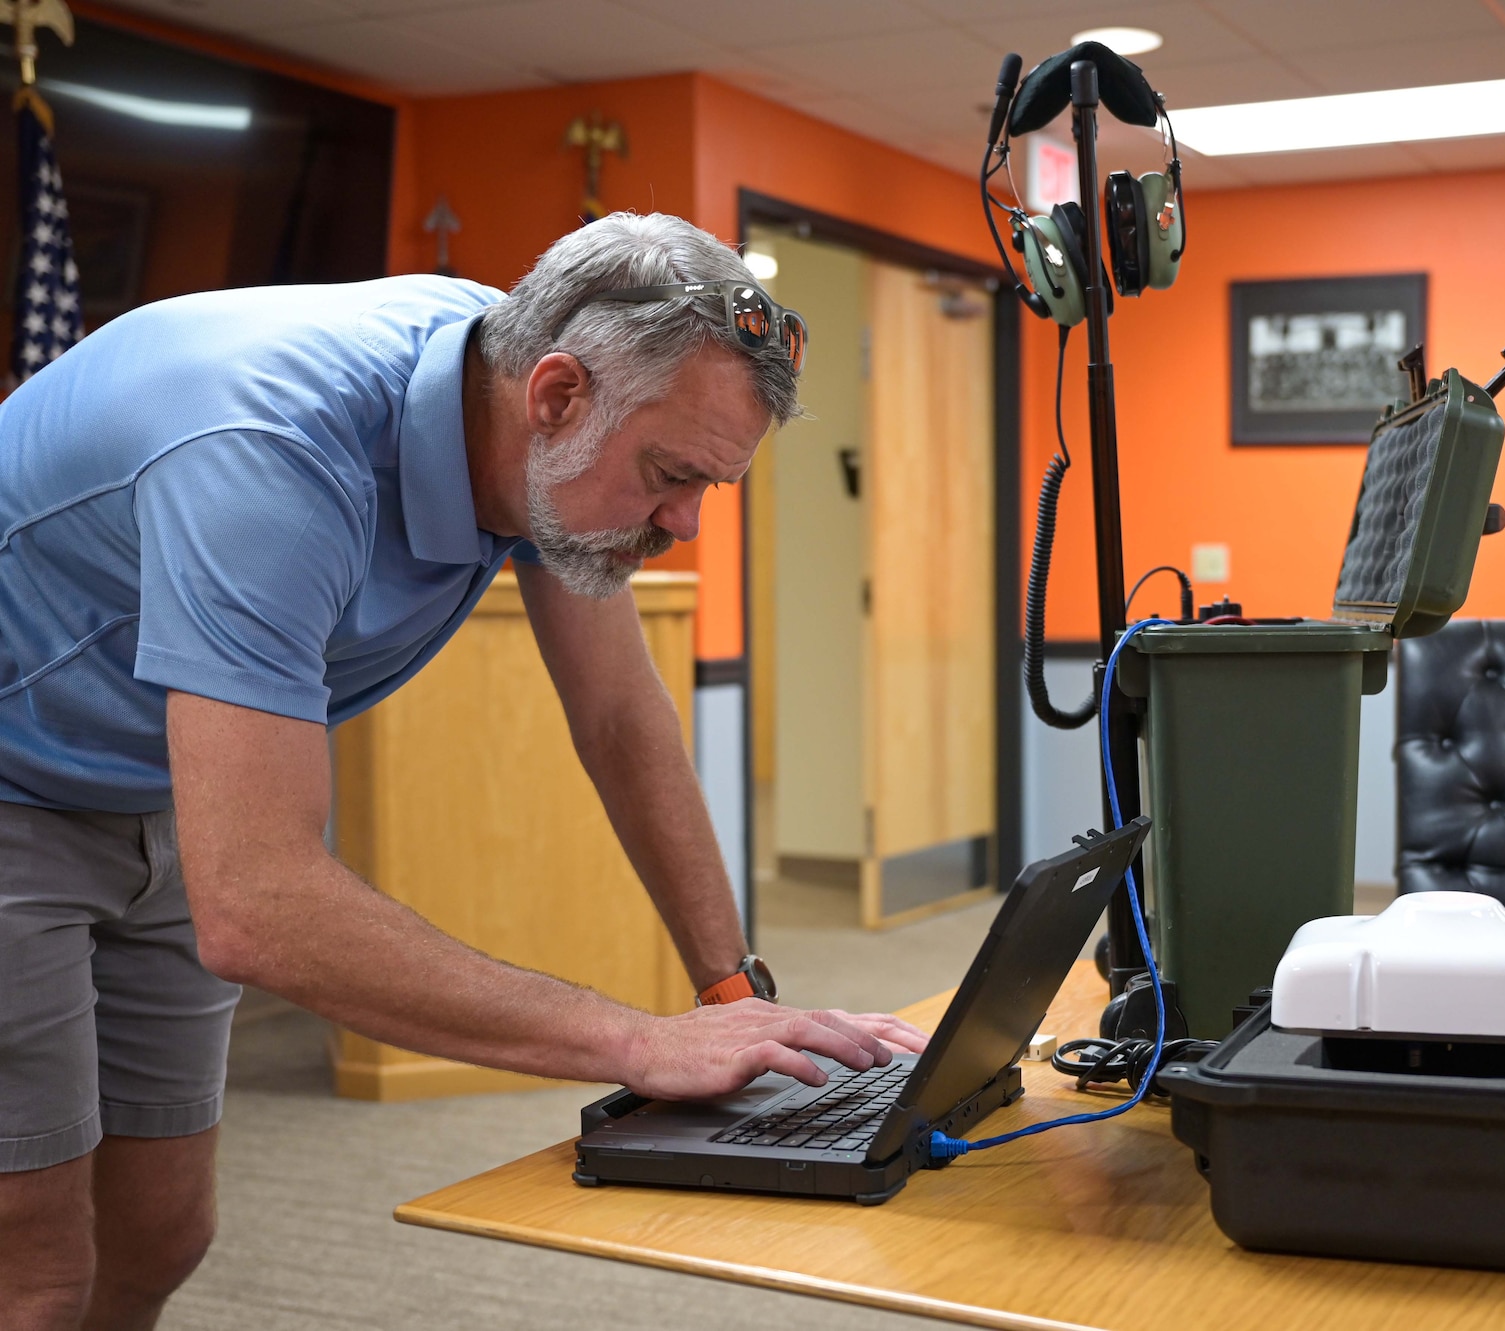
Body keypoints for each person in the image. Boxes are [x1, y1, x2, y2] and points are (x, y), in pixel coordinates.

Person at [0, 212, 927, 1329]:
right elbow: (260, 909)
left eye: (707, 490)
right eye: (670, 475)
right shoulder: (273, 453)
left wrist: (732, 998)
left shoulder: (513, 400)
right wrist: (641, 1040)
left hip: (154, 783)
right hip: (15, 790)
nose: (681, 523)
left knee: (160, 1231)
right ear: (555, 396)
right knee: (36, 1264)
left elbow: (622, 724)